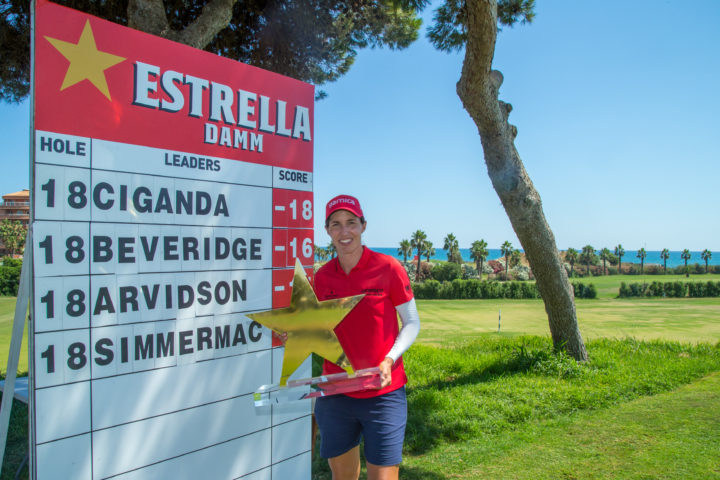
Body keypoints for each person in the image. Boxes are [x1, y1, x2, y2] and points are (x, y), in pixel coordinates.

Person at [313, 194, 421, 480]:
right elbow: (317, 327)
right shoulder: (321, 277)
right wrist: (296, 334)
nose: (344, 231)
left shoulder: (389, 268)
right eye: (336, 224)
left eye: (351, 223)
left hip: (383, 394)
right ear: (327, 231)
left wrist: (389, 359)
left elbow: (412, 323)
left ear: (363, 225)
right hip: (335, 393)